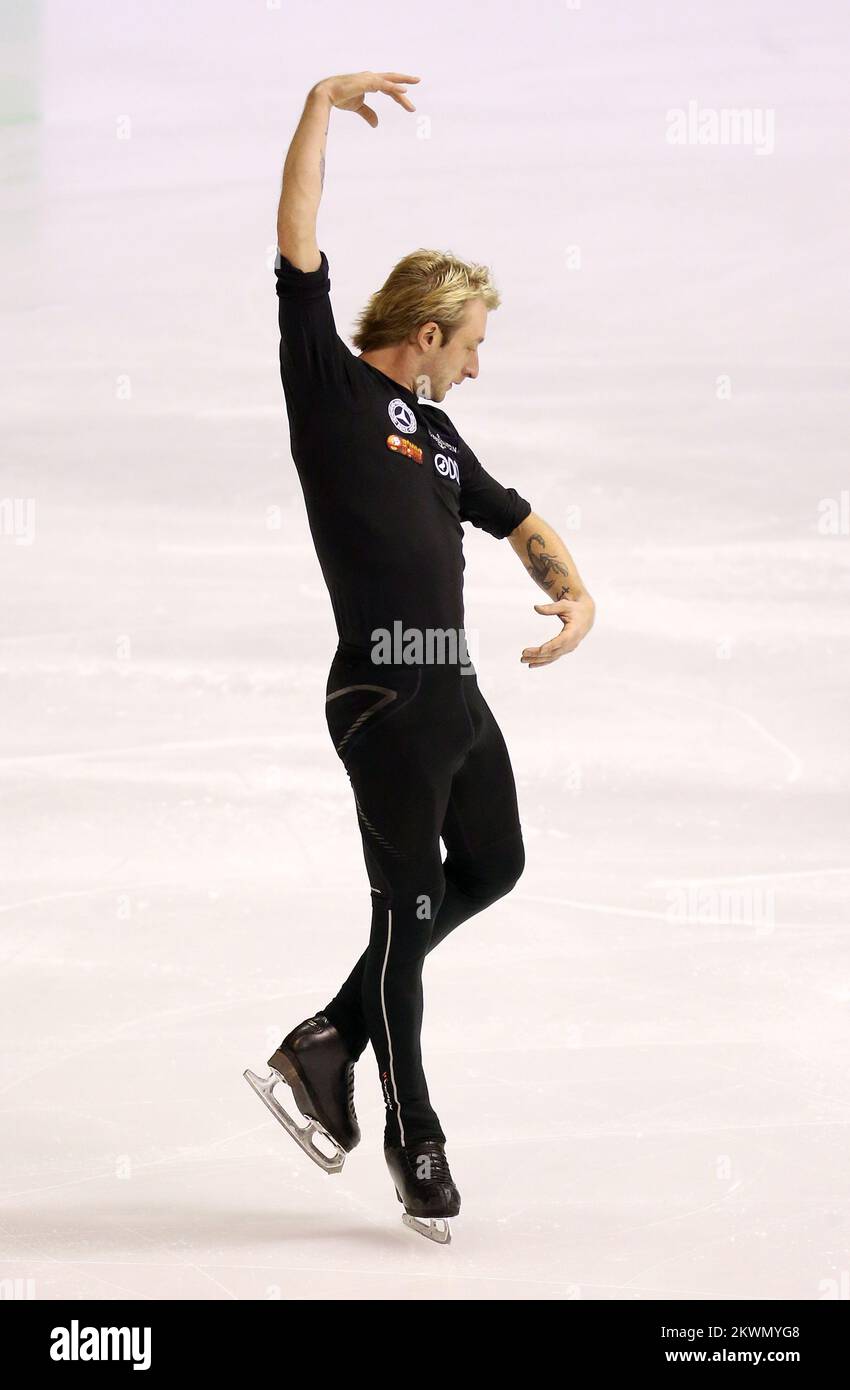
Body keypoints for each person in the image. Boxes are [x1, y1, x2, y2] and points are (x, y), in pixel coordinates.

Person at [244, 71, 596, 1243]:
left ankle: (327, 1033)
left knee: (491, 867)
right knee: (404, 918)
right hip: (383, 694)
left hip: (455, 690)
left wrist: (572, 588)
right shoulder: (330, 388)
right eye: (474, 345)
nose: (478, 367)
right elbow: (298, 243)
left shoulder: (440, 437)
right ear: (428, 332)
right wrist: (315, 104)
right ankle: (414, 1134)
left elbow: (517, 517)